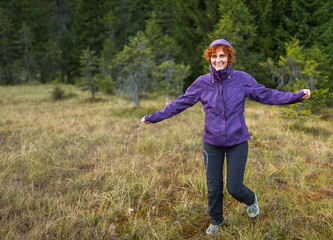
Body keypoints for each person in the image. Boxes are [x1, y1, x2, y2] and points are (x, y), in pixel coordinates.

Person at [140, 39, 311, 235]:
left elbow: (267, 95)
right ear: (209, 58)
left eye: (222, 55)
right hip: (212, 143)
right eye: (214, 56)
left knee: (234, 187)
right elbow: (180, 103)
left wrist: (296, 96)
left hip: (238, 141)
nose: (218, 60)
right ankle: (216, 221)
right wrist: (154, 118)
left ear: (229, 58)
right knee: (213, 188)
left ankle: (251, 200)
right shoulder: (202, 83)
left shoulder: (242, 79)